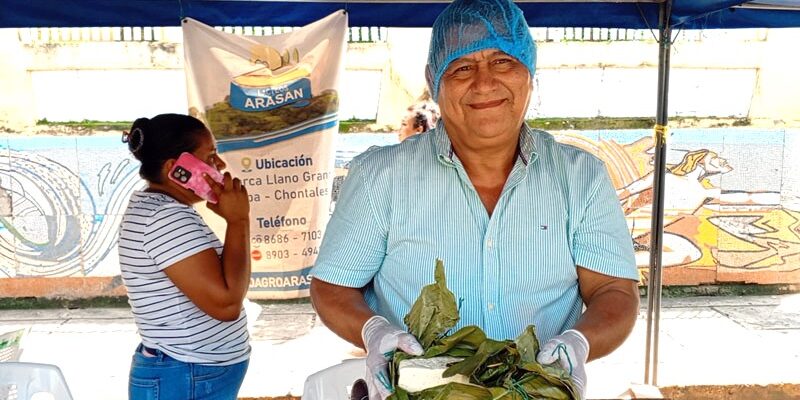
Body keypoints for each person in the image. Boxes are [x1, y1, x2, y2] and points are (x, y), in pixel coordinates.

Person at [308, 0, 640, 399]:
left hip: (534, 391)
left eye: (503, 62)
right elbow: (332, 287)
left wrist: (579, 344)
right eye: (462, 68)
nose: (484, 83)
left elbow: (613, 292)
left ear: (529, 74)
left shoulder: (581, 177)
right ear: (436, 82)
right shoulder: (380, 176)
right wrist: (373, 331)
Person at [118, 113, 251, 400]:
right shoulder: (163, 217)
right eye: (211, 156)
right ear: (176, 168)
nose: (220, 165)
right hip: (185, 375)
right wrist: (239, 221)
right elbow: (226, 304)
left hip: (188, 373)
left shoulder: (162, 208)